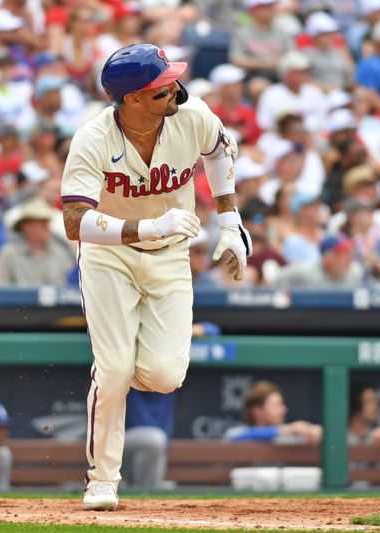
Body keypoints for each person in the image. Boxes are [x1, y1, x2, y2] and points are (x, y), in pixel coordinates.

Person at [60, 44, 252, 511]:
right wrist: (146, 227)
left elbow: (219, 151)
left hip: (170, 255)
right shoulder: (92, 138)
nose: (175, 89)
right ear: (131, 100)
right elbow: (73, 222)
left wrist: (229, 221)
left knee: (164, 375)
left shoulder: (193, 115)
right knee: (115, 369)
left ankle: (119, 370)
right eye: (161, 86)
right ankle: (102, 480)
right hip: (110, 257)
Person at [0, 198, 73, 286]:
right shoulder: (9, 254)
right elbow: (3, 289)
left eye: (47, 222)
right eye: (42, 222)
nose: (47, 227)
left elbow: (68, 289)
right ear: (26, 226)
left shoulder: (60, 253)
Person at [224, 380, 321, 444]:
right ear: (257, 411)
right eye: (276, 405)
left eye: (281, 404)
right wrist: (287, 430)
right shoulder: (237, 434)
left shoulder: (286, 437)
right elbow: (233, 436)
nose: (283, 409)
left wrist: (312, 432)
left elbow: (316, 434)